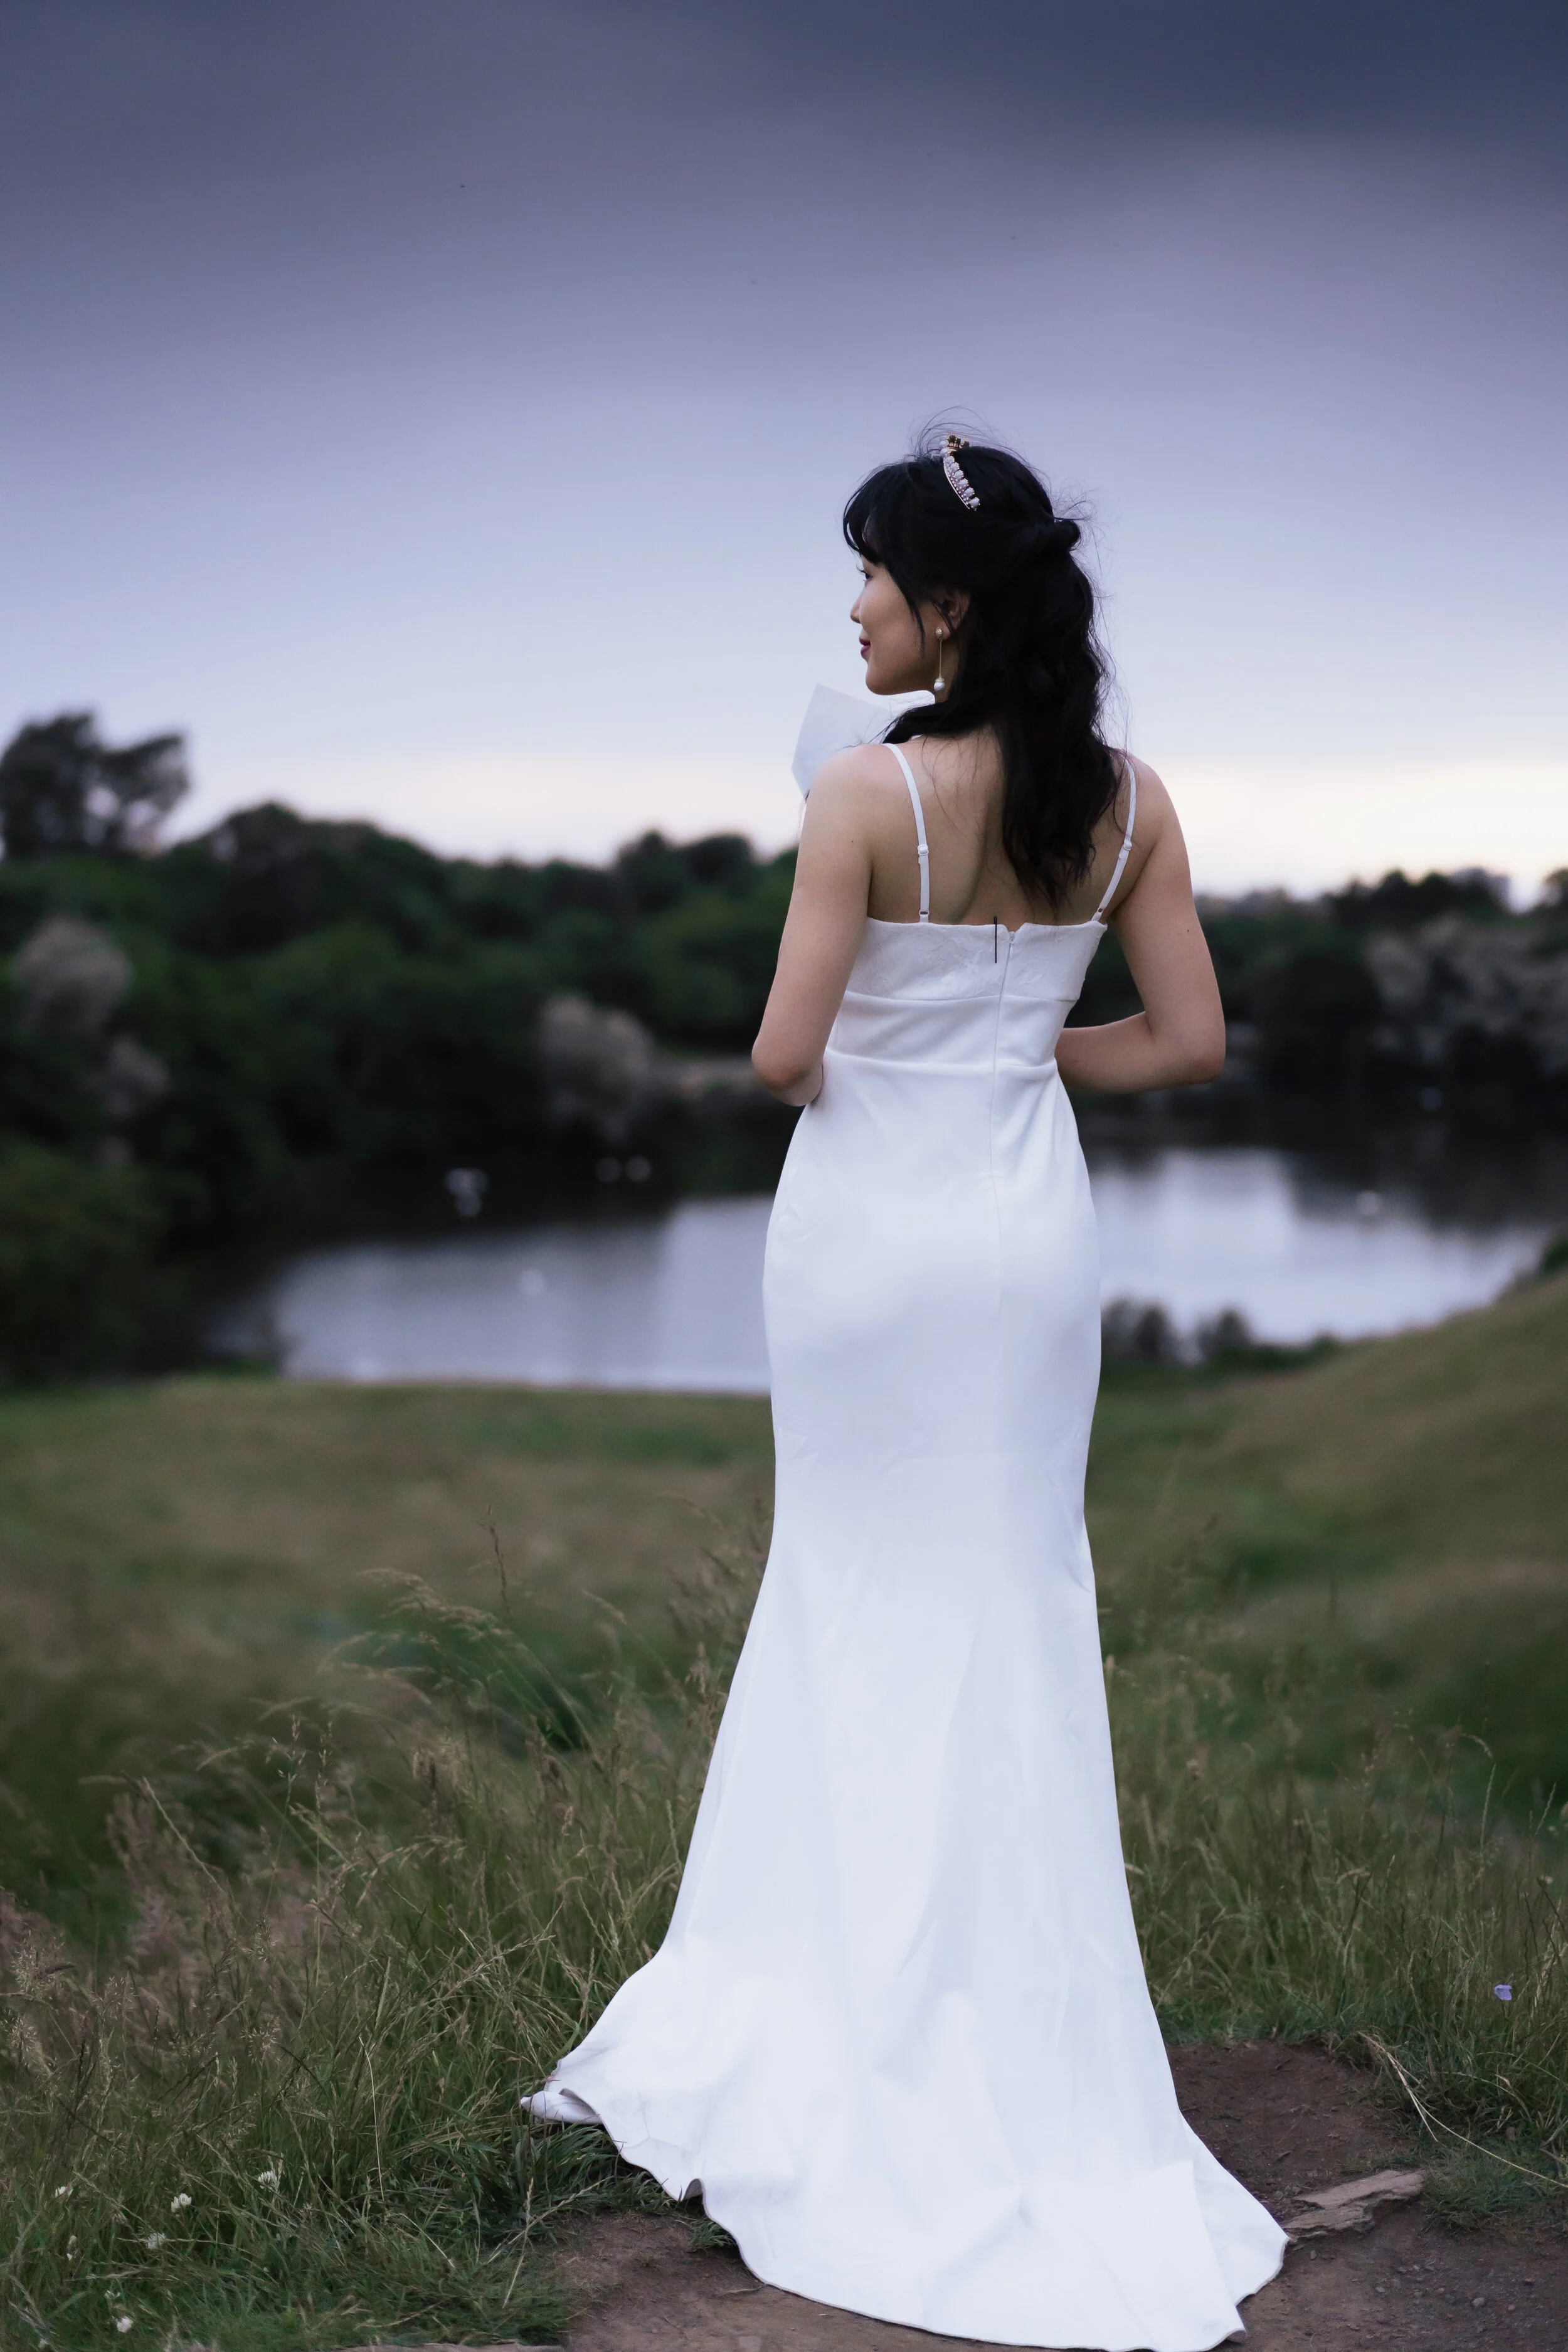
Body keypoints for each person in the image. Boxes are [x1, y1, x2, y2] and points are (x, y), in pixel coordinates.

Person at [527, 435, 1286, 2349]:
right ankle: (1024, 2047)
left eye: (868, 573)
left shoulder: (862, 794)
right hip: (1023, 1242)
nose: (851, 605)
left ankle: (835, 2015)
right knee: (1012, 1607)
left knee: (853, 1595)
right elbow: (1186, 1040)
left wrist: (899, 1031)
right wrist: (1015, 1054)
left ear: (945, 603)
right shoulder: (1129, 801)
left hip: (867, 1245)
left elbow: (787, 1053)